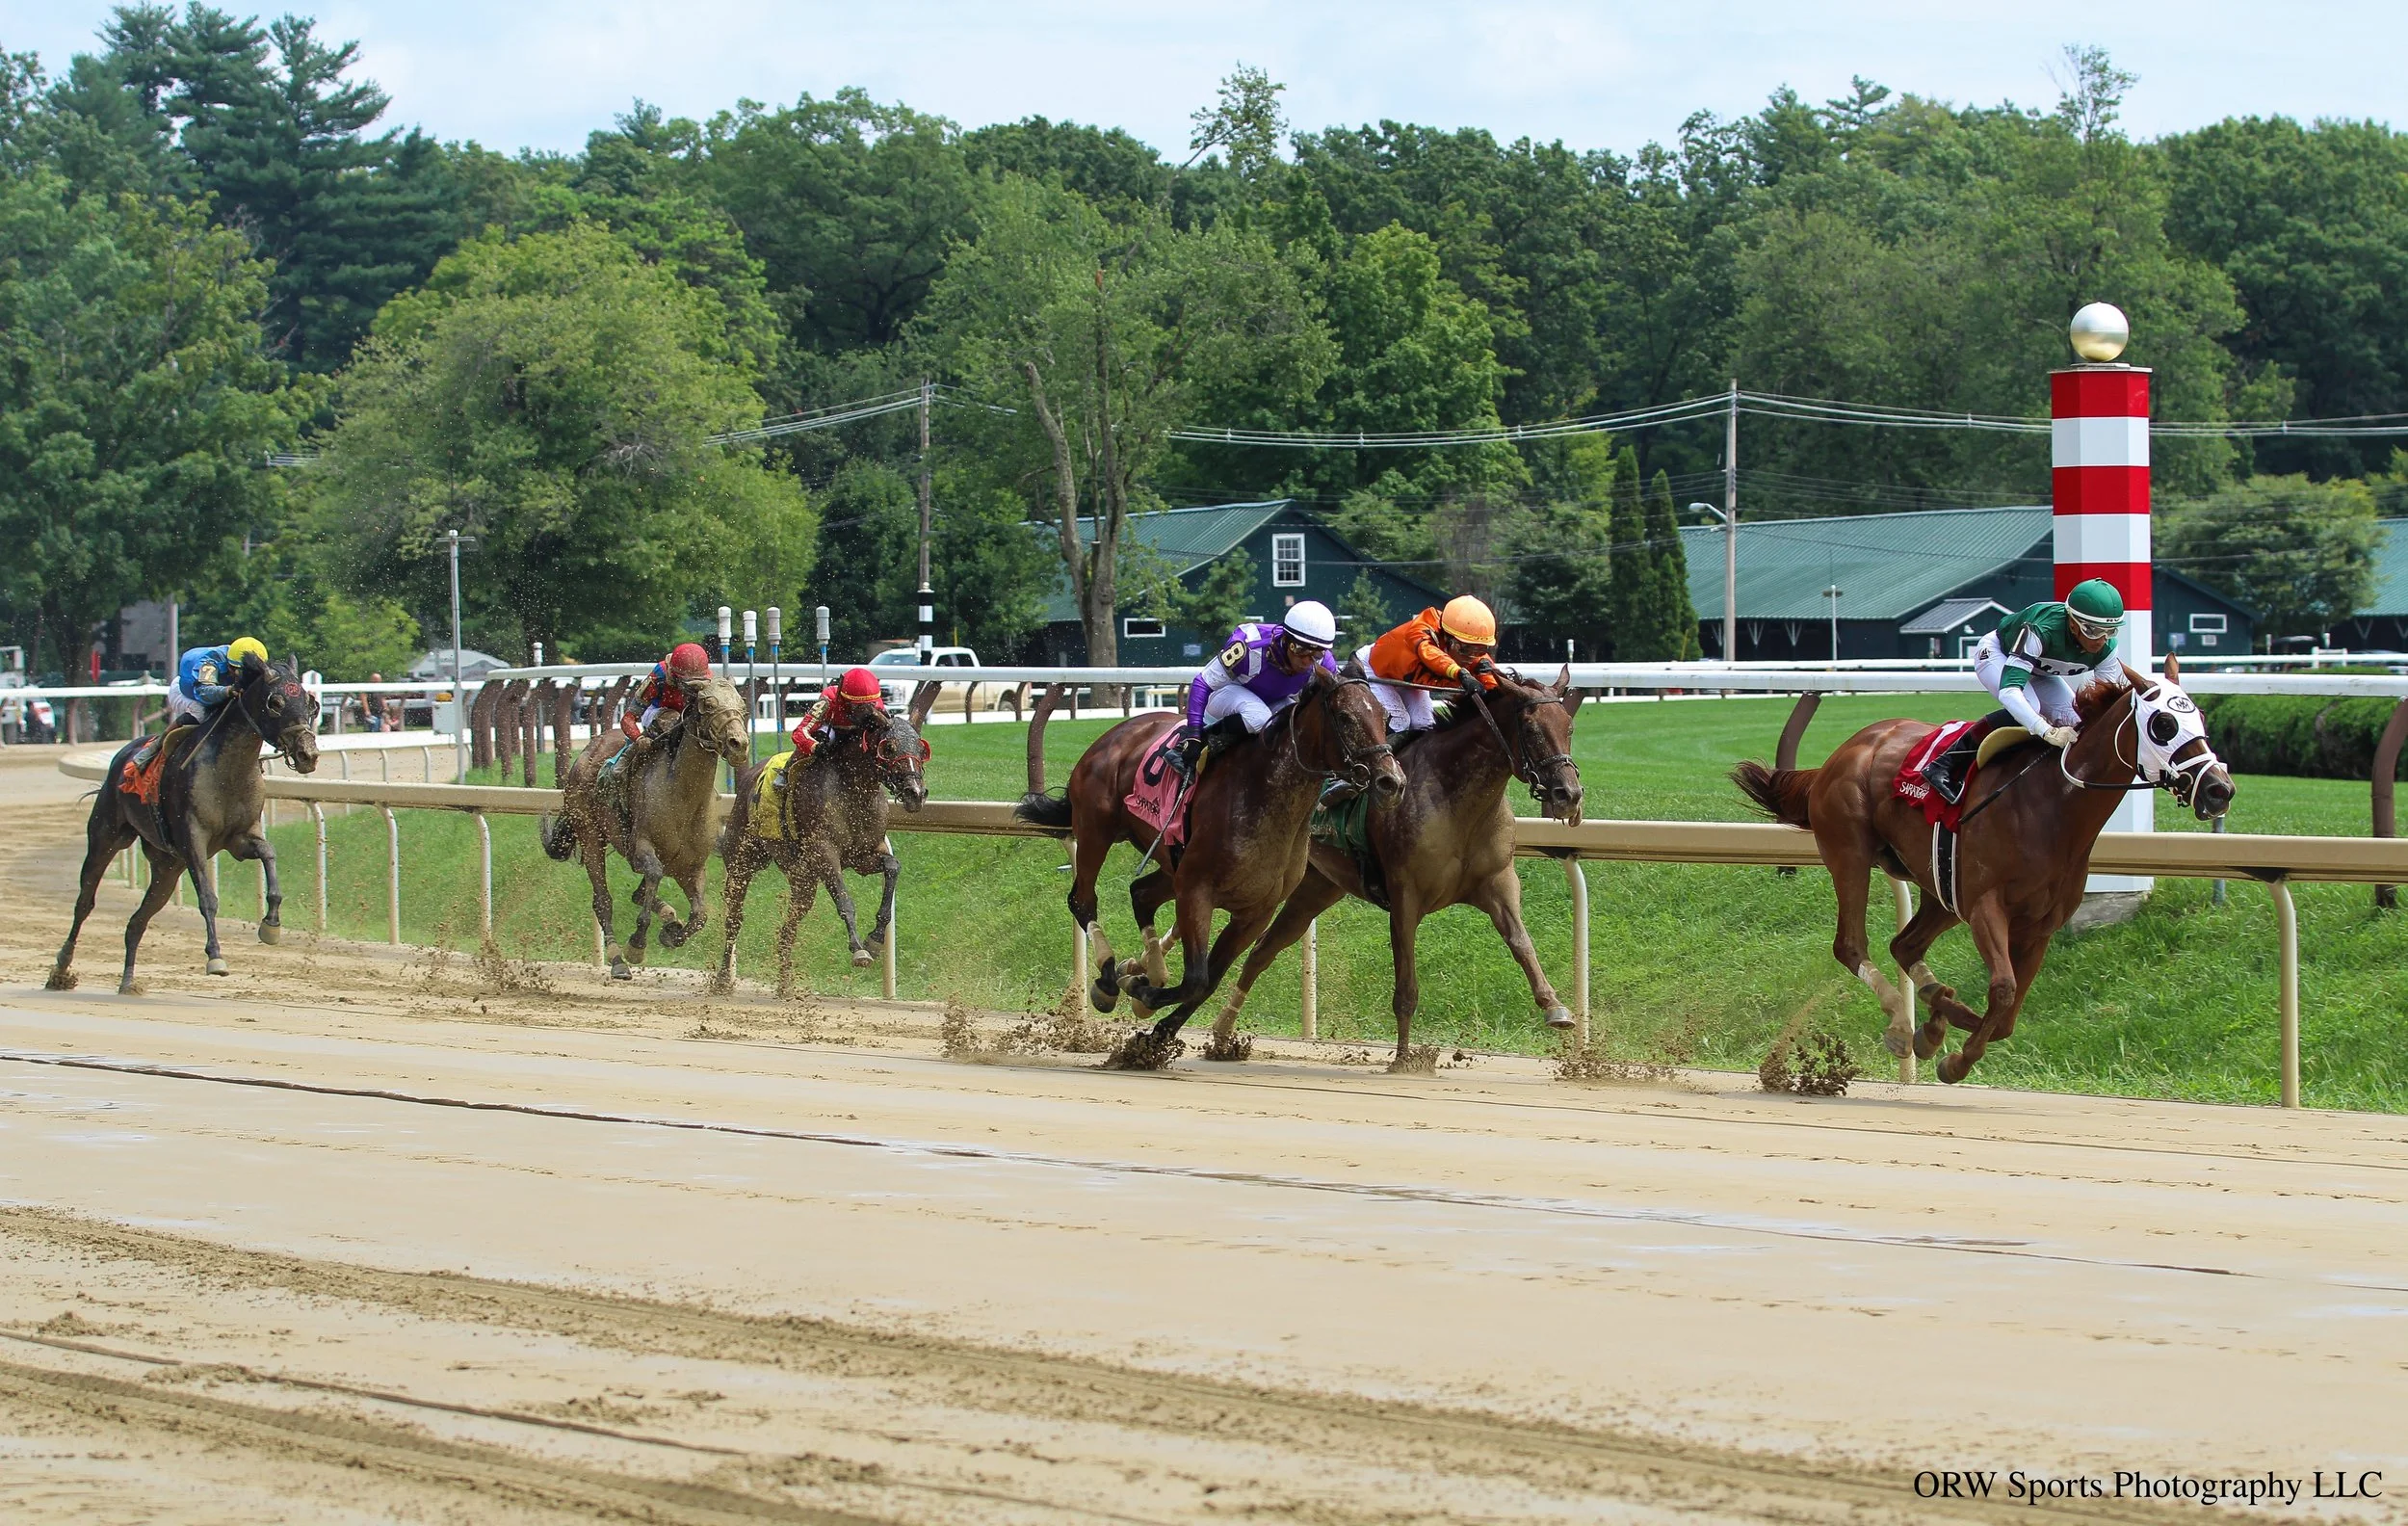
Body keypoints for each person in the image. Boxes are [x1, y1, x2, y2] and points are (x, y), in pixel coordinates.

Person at [1171, 601, 1340, 779]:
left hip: (1270, 702)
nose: (1306, 661)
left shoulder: (1325, 664)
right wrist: (1194, 734)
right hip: (1224, 695)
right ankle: (1201, 743)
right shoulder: (1248, 646)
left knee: (1295, 721)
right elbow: (1202, 683)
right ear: (1285, 639)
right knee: (1259, 717)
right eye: (1300, 650)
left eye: (1316, 654)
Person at [1975, 580, 2127, 748]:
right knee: (2030, 708)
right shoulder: (2041, 629)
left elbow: (2104, 707)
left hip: (2040, 671)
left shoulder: (2108, 649)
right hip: (1998, 654)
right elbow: (2009, 692)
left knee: (2079, 723)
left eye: (2110, 631)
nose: (2102, 640)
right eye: (2093, 631)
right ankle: (1960, 748)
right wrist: (2047, 731)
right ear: (2072, 623)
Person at [122, 636, 267, 795]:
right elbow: (203, 692)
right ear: (231, 666)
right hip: (187, 692)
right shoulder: (211, 661)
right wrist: (228, 690)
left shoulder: (242, 660)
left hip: (215, 690)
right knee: (202, 713)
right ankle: (153, 748)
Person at [1361, 596, 1501, 734]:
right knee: (1400, 722)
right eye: (1465, 649)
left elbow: (1493, 684)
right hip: (1375, 670)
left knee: (1423, 723)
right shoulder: (1423, 629)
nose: (1471, 657)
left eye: (1480, 650)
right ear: (1447, 637)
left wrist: (1497, 693)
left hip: (1408, 680)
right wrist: (1460, 673)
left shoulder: (1472, 655)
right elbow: (1430, 654)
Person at [620, 642, 714, 745]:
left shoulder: (708, 679)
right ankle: (632, 753)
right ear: (672, 674)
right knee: (672, 718)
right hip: (657, 712)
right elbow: (628, 718)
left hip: (688, 715)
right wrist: (639, 739)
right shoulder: (659, 676)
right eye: (687, 682)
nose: (692, 688)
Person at [792, 666, 887, 760]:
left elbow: (888, 729)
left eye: (870, 705)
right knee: (820, 736)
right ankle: (790, 768)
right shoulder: (829, 700)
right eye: (858, 706)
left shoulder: (877, 704)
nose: (865, 710)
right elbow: (800, 731)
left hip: (859, 736)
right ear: (845, 700)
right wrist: (814, 747)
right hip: (832, 734)